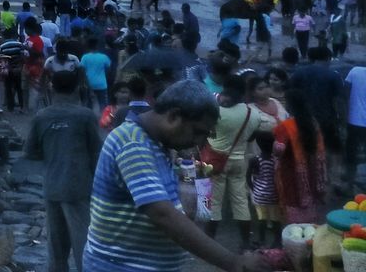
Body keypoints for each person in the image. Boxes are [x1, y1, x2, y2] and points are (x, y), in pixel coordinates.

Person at [84, 81, 265, 272]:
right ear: (173, 116)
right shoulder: (133, 143)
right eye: (198, 132)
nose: (200, 142)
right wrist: (233, 262)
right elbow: (162, 214)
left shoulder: (157, 144)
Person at [25, 70, 100, 272]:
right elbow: (96, 153)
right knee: (83, 244)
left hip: (52, 186)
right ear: (77, 89)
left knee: (56, 248)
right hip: (79, 187)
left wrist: (52, 150)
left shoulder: (42, 117)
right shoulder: (86, 116)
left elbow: (30, 152)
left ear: (51, 87)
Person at [202, 75, 275, 243]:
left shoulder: (214, 109)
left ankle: (208, 242)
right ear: (243, 92)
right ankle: (245, 243)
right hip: (239, 160)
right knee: (240, 202)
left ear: (224, 87)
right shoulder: (253, 113)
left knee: (211, 202)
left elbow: (204, 130)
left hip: (211, 161)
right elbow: (250, 138)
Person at [274, 88, 328, 224]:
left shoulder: (285, 126)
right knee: (311, 200)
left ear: (289, 105)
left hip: (291, 171)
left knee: (293, 200)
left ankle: (296, 233)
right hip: (312, 169)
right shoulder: (313, 122)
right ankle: (311, 229)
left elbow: (278, 151)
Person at [247, 132, 280, 249]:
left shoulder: (254, 160)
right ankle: (278, 241)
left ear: (258, 144)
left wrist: (254, 189)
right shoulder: (275, 160)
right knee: (276, 219)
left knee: (261, 219)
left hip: (259, 196)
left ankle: (262, 241)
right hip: (274, 195)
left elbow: (248, 177)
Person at [79, 38, 111, 110]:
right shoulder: (104, 57)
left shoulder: (85, 57)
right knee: (103, 104)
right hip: (102, 83)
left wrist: (84, 83)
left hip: (89, 84)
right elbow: (108, 69)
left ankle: (88, 119)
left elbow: (82, 72)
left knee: (89, 105)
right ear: (97, 46)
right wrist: (103, 76)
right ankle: (104, 120)